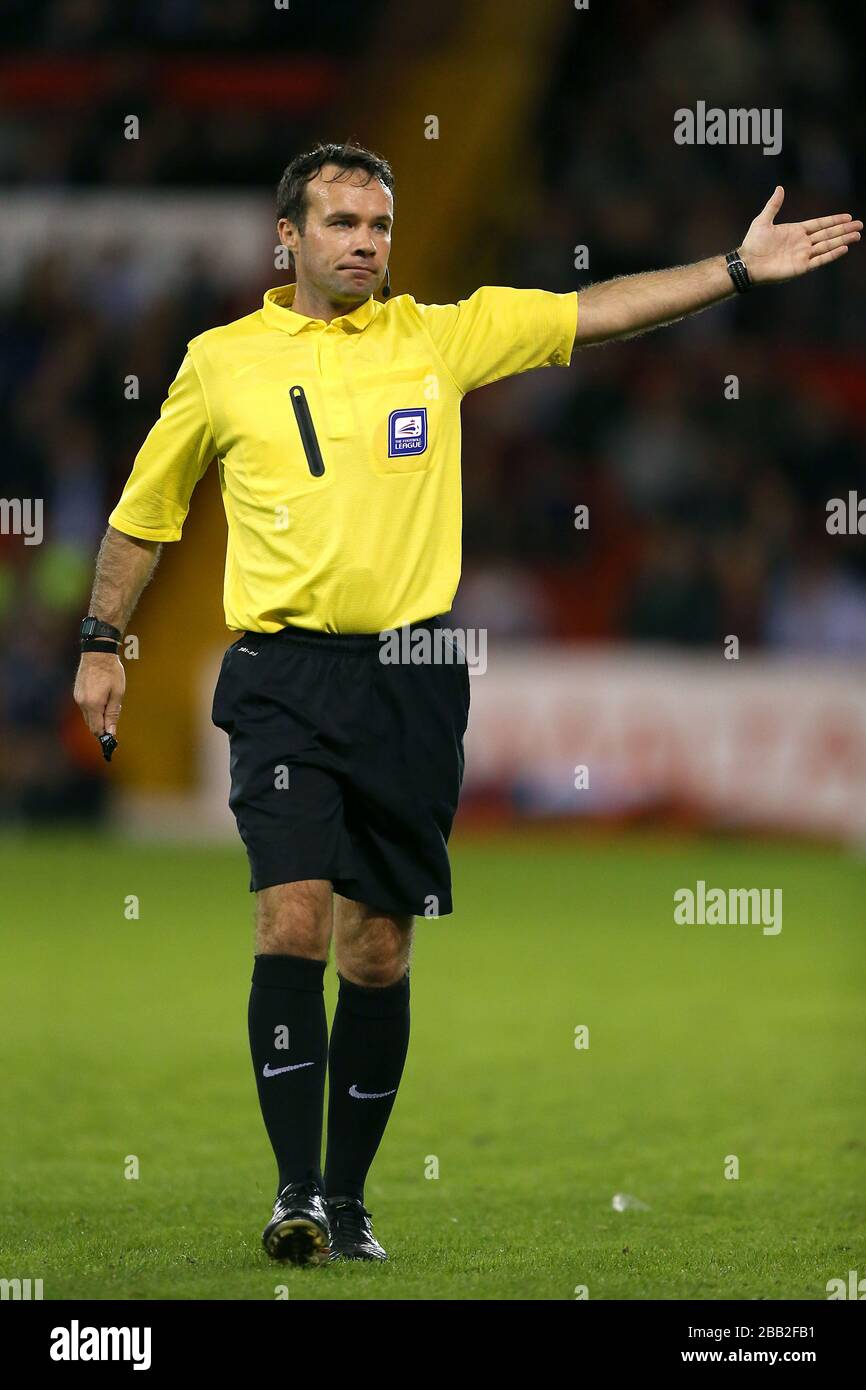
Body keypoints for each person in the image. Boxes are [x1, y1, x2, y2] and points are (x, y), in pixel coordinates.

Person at [73, 139, 860, 1266]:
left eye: (379, 226)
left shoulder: (438, 336)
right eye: (341, 222)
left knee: (379, 950)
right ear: (286, 238)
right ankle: (293, 1190)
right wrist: (103, 641)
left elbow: (597, 312)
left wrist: (730, 272)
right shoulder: (221, 361)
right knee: (289, 913)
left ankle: (346, 1201)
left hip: (410, 677)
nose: (364, 243)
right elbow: (144, 513)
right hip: (284, 675)